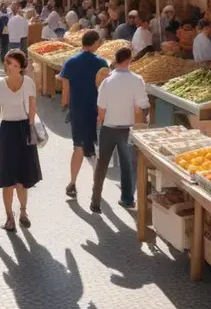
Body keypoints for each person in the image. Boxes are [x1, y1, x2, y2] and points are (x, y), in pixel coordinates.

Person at [0, 49, 42, 232]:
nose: (10, 67)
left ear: (21, 68)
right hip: (7, 130)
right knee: (7, 178)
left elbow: (33, 106)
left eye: (15, 65)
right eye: (9, 63)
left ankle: (23, 212)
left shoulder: (28, 82)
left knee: (23, 177)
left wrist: (30, 127)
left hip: (23, 128)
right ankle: (9, 217)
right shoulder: (0, 85)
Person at [92, 47, 149, 212]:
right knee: (128, 165)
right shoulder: (137, 80)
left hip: (108, 128)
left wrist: (100, 123)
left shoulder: (107, 82)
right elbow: (143, 105)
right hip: (128, 130)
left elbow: (101, 109)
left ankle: (95, 200)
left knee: (102, 164)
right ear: (130, 60)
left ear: (115, 61)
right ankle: (127, 199)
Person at [59, 30, 108, 198]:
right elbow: (105, 88)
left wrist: (64, 104)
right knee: (95, 149)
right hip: (96, 111)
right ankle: (97, 187)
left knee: (78, 147)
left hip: (78, 110)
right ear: (94, 43)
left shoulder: (70, 62)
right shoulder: (101, 63)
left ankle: (72, 183)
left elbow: (65, 89)